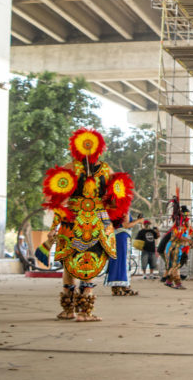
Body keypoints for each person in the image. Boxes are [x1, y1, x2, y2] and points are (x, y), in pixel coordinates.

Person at [41, 128, 133, 321]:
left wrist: (54, 227)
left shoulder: (70, 168)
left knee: (69, 263)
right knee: (90, 262)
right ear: (100, 149)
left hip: (72, 221)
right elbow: (117, 201)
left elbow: (58, 201)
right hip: (97, 222)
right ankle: (85, 311)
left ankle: (68, 310)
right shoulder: (107, 171)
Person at [105, 214, 142, 296]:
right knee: (122, 261)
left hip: (118, 236)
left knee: (120, 261)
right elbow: (126, 225)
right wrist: (138, 221)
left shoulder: (117, 209)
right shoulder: (124, 209)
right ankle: (120, 286)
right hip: (122, 237)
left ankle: (122, 286)